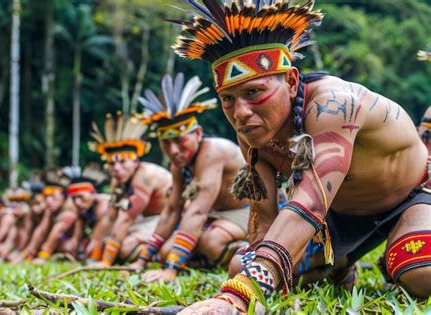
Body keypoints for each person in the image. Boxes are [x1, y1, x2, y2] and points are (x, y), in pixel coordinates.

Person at [168, 0, 431, 313]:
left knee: (418, 273)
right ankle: (340, 264)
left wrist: (238, 297)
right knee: (241, 265)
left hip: (410, 198)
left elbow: (310, 202)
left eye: (253, 93)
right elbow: (263, 220)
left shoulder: (333, 106)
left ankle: (384, 257)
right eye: (228, 98)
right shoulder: (252, 131)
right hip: (334, 220)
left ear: (291, 81)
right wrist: (251, 281)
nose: (240, 112)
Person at [129, 72, 250, 282]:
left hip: (245, 212)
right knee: (167, 250)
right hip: (217, 216)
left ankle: (248, 254)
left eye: (179, 140)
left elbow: (197, 211)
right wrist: (142, 260)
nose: (174, 150)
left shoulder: (213, 151)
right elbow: (172, 210)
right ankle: (208, 258)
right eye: (166, 143)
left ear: (198, 133)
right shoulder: (180, 165)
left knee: (210, 240)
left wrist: (171, 269)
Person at [87, 113, 172, 266]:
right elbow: (110, 217)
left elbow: (126, 218)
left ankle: (161, 256)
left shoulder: (144, 176)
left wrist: (105, 262)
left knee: (125, 248)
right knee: (108, 242)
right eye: (112, 164)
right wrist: (95, 249)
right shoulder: (118, 180)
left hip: (166, 219)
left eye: (122, 162)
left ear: (135, 161)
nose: (117, 169)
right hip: (146, 220)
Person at [33, 178, 111, 263]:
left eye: (81, 197)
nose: (77, 202)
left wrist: (92, 258)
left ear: (92, 193)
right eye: (74, 198)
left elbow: (97, 238)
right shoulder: (80, 207)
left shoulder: (103, 205)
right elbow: (76, 239)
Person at [14, 182, 68, 262]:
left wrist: (43, 255)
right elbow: (40, 231)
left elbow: (55, 233)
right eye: (46, 197)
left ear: (64, 198)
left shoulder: (69, 213)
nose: (48, 201)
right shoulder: (48, 211)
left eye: (53, 197)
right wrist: (25, 252)